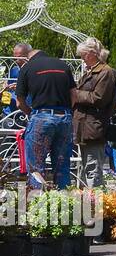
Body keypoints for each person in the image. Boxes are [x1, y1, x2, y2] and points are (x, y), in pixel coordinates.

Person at [15, 44, 75, 189]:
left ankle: (38, 204)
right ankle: (65, 203)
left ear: (27, 56)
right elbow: (74, 94)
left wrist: (31, 113)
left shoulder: (27, 68)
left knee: (36, 166)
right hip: (64, 117)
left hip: (41, 117)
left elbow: (19, 102)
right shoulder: (63, 65)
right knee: (62, 166)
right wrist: (67, 111)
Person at [71, 37, 116, 188]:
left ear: (92, 53)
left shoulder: (105, 72)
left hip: (93, 127)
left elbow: (99, 98)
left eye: (83, 55)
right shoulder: (92, 71)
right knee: (87, 168)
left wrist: (75, 94)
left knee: (93, 169)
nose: (82, 58)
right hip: (85, 127)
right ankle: (90, 204)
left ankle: (97, 207)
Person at [2, 43, 29, 115]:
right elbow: (7, 93)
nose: (16, 61)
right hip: (9, 113)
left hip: (26, 113)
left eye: (20, 58)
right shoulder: (14, 70)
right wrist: (4, 88)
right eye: (15, 58)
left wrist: (21, 88)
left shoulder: (35, 71)